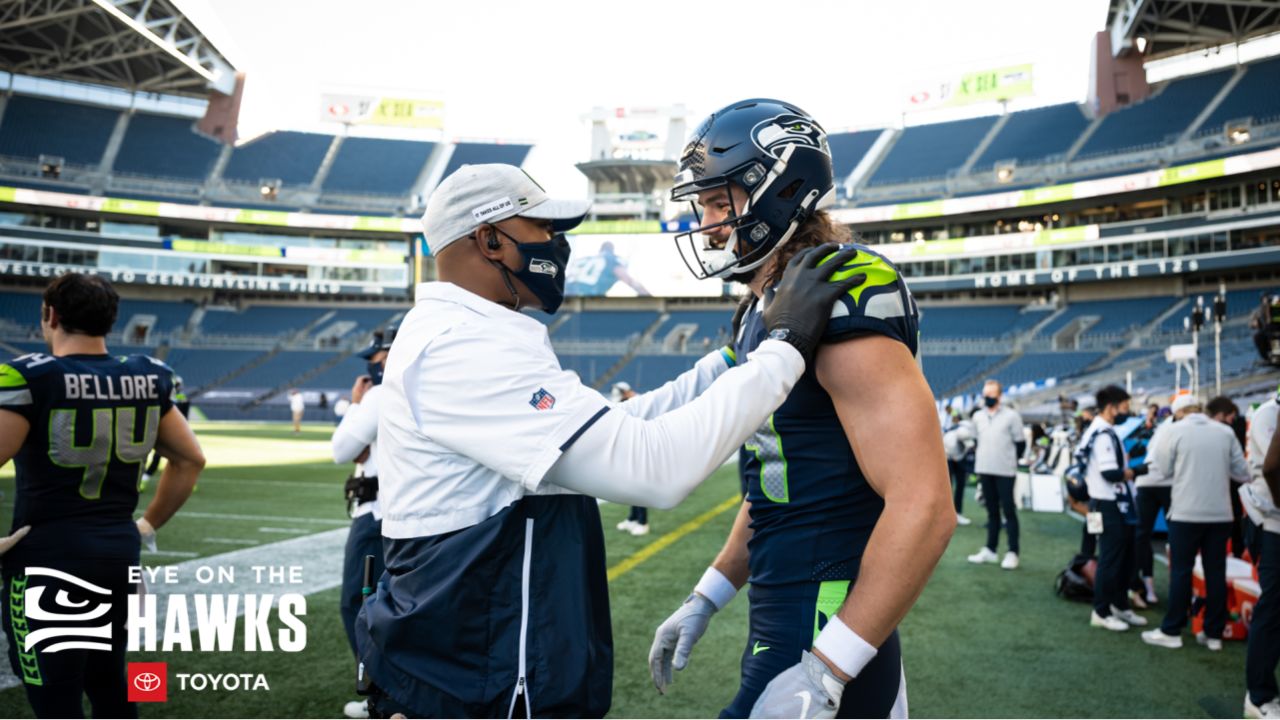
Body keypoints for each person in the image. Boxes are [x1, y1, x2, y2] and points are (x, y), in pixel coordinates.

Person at [355, 162, 865, 718]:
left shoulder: (477, 332)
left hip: (478, 664)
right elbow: (653, 469)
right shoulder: (460, 345)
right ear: (491, 239)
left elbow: (623, 424)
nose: (558, 245)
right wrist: (783, 349)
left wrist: (729, 360)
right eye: (544, 230)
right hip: (473, 678)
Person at [647, 98, 954, 719]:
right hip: (786, 609)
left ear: (777, 189)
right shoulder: (767, 311)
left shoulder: (840, 294)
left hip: (826, 615)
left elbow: (926, 504)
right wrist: (709, 592)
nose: (705, 223)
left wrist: (829, 666)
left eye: (717, 201)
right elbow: (777, 473)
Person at [0, 273, 204, 719]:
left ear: (50, 315)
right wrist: (146, 524)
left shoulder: (30, 377)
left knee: (55, 698)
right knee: (110, 685)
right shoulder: (147, 376)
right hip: (117, 555)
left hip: (48, 562)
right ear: (110, 321)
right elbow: (190, 460)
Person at [1141, 394, 1249, 651]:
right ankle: (1213, 634)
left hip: (1186, 512)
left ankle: (1172, 630)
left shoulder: (1174, 431)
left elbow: (1163, 470)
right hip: (1220, 513)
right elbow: (1242, 472)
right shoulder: (1224, 432)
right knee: (1215, 572)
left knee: (1181, 571)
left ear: (1178, 412)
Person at [331, 326, 396, 720]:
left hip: (377, 515)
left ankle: (382, 697)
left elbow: (341, 450)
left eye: (377, 359)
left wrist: (357, 404)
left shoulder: (379, 395)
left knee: (357, 603)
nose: (372, 368)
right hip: (411, 515)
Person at [1079, 385, 1147, 631]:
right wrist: (1135, 471)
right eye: (1124, 407)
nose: (1126, 413)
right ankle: (1102, 610)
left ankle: (1119, 605)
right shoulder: (1103, 433)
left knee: (1124, 558)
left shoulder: (1102, 430)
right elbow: (1110, 473)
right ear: (1111, 407)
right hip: (1109, 503)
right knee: (1111, 559)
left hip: (1109, 503)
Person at [1245, 385, 1280, 719]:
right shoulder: (1269, 414)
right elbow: (1272, 468)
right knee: (1273, 609)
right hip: (1272, 523)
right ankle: (1259, 696)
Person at [967, 379, 1025, 570]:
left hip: (1005, 471)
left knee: (1008, 511)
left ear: (999, 396)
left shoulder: (1012, 416)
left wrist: (1009, 460)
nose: (987, 398)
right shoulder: (978, 416)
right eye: (985, 394)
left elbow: (1020, 444)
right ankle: (990, 550)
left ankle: (1012, 552)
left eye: (991, 394)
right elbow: (976, 439)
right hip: (984, 469)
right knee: (992, 512)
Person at [1133, 405, 1172, 607]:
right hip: (1162, 483)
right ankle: (1145, 587)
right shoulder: (1173, 427)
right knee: (1175, 537)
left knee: (1142, 536)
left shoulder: (1165, 428)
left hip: (1148, 482)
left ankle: (1146, 588)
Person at [610, 381, 652, 536]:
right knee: (632, 486)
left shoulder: (640, 403)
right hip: (632, 450)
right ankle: (633, 518)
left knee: (639, 486)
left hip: (642, 450)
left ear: (626, 392)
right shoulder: (628, 403)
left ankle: (643, 521)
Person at [139, 373, 189, 490]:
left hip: (158, 430)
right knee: (181, 458)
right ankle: (185, 482)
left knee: (155, 456)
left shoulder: (163, 396)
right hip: (169, 431)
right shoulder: (179, 398)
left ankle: (143, 479)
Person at [942, 410, 975, 526]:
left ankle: (957, 513)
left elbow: (968, 445)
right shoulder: (954, 427)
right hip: (950, 458)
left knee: (959, 486)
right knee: (948, 488)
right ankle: (947, 515)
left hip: (957, 458)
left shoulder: (963, 427)